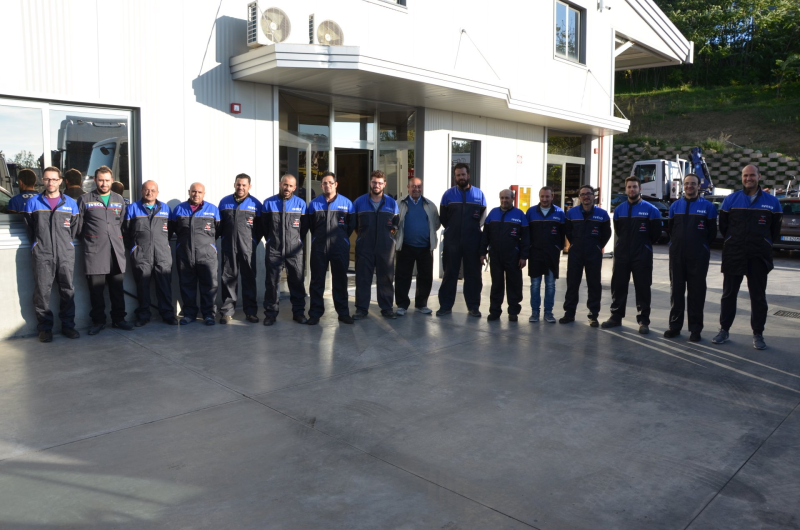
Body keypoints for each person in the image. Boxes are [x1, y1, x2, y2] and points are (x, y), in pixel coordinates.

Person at [712, 164, 782, 350]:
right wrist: (734, 241)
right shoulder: (731, 200)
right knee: (728, 295)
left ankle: (758, 334)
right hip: (734, 254)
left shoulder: (772, 202)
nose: (748, 178)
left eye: (752, 175)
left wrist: (764, 243)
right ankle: (724, 330)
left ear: (759, 176)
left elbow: (774, 231)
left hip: (759, 256)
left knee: (758, 298)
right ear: (741, 177)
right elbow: (724, 227)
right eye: (745, 175)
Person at [22, 167, 81, 342]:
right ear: (42, 180)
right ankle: (45, 328)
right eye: (47, 179)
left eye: (54, 179)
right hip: (42, 253)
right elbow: (29, 228)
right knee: (42, 291)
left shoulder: (70, 203)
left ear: (60, 181)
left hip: (65, 253)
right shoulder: (33, 203)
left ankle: (68, 326)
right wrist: (38, 244)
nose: (51, 182)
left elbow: (74, 228)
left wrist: (66, 243)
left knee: (67, 290)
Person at [601, 176, 662, 333]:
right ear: (626, 189)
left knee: (642, 287)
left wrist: (643, 246)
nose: (632, 189)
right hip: (622, 254)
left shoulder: (652, 210)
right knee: (618, 286)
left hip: (642, 254)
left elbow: (655, 234)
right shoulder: (619, 210)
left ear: (640, 189)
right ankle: (616, 317)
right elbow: (619, 231)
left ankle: (643, 321)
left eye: (635, 187)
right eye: (629, 187)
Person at [77, 165, 131, 335]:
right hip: (95, 253)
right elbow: (78, 228)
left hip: (115, 252)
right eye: (101, 180)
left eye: (107, 180)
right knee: (96, 291)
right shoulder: (85, 199)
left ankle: (119, 319)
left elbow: (122, 225)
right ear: (95, 180)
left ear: (112, 180)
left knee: (117, 289)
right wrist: (91, 240)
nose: (104, 183)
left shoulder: (119, 200)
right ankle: (98, 321)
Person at [664, 174, 718, 341]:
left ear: (698, 186)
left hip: (698, 257)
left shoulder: (708, 207)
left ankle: (695, 330)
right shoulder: (675, 206)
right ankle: (675, 327)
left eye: (693, 184)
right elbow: (671, 229)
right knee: (677, 291)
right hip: (677, 256)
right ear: (683, 186)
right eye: (687, 184)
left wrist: (701, 247)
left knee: (696, 293)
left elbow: (712, 233)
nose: (689, 186)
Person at [124, 180, 177, 327]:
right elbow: (126, 231)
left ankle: (167, 314)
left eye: (153, 190)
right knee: (142, 287)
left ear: (157, 192)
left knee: (165, 285)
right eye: (147, 190)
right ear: (141, 191)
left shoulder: (165, 208)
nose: (150, 193)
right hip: (141, 254)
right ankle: (143, 315)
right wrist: (134, 248)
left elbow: (170, 229)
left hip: (162, 254)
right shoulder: (133, 208)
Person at [437, 163, 487, 317]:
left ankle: (473, 307)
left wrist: (472, 230)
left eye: (463, 174)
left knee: (473, 275)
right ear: (455, 176)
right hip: (452, 241)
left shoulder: (479, 194)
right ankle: (445, 306)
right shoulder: (448, 195)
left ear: (468, 175)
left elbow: (483, 217)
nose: (461, 177)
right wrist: (453, 229)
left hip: (473, 241)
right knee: (450, 273)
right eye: (458, 175)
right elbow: (444, 218)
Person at [559, 185, 611, 327]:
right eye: (583, 194)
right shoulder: (571, 213)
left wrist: (597, 246)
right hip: (576, 253)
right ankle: (569, 313)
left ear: (593, 196)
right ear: (579, 197)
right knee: (572, 283)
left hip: (593, 253)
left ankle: (593, 315)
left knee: (594, 284)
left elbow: (607, 233)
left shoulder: (603, 214)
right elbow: (568, 232)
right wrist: (574, 244)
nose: (586, 196)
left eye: (588, 194)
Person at [307, 171, 355, 325]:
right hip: (319, 248)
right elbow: (311, 226)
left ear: (336, 184)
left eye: (330, 182)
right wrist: (318, 239)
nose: (327, 185)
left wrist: (341, 240)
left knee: (340, 281)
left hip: (339, 249)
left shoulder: (347, 204)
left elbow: (351, 226)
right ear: (321, 185)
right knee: (317, 281)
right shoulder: (314, 204)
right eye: (324, 183)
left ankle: (343, 313)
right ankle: (315, 313)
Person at [170, 182, 220, 326]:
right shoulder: (179, 209)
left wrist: (208, 245)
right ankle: (189, 314)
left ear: (204, 194)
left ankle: (209, 315)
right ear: (189, 192)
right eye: (193, 192)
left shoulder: (213, 210)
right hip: (185, 255)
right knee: (187, 285)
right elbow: (174, 229)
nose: (196, 194)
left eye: (199, 192)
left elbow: (218, 230)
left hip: (207, 256)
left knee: (209, 285)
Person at [352, 170, 399, 320]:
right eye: (374, 182)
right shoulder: (359, 202)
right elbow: (354, 225)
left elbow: (396, 225)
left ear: (384, 184)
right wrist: (364, 237)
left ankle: (386, 308)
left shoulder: (392, 203)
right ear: (370, 183)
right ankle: (361, 309)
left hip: (385, 248)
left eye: (379, 183)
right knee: (363, 278)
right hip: (365, 247)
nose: (376, 185)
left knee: (386, 278)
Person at [261, 174, 308, 326]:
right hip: (274, 249)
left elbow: (304, 228)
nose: (287, 188)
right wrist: (270, 240)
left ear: (295, 188)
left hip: (295, 251)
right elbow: (264, 226)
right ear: (280, 184)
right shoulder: (269, 203)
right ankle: (270, 314)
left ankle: (299, 313)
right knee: (272, 283)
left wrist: (296, 241)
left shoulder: (301, 204)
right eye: (285, 185)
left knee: (297, 282)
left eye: (291, 186)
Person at [218, 174, 262, 324]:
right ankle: (227, 312)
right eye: (238, 184)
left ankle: (250, 312)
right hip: (229, 248)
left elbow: (261, 227)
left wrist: (253, 241)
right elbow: (219, 226)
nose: (241, 187)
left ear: (249, 186)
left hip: (247, 249)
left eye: (244, 185)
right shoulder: (224, 202)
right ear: (234, 185)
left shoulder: (256, 204)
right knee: (228, 279)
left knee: (249, 280)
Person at [480, 189, 529, 321]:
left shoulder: (519, 215)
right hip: (495, 255)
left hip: (513, 256)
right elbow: (485, 236)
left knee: (514, 284)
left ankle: (513, 311)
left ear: (512, 198)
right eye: (502, 198)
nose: (504, 200)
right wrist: (482, 253)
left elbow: (525, 238)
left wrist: (524, 256)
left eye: (507, 198)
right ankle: (495, 311)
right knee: (496, 284)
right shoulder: (492, 213)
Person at [395, 177, 440, 316]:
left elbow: (436, 224)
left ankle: (421, 304)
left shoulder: (430, 205)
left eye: (419, 186)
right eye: (413, 186)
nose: (416, 189)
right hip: (406, 246)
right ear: (408, 187)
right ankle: (402, 305)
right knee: (403, 276)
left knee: (425, 277)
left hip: (425, 247)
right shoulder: (400, 204)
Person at [526, 186, 565, 323]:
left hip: (551, 255)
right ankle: (534, 313)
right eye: (542, 196)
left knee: (550, 285)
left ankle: (548, 312)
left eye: (547, 196)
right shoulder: (531, 212)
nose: (544, 199)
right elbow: (526, 233)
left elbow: (563, 234)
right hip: (535, 254)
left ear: (552, 196)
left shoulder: (559, 213)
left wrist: (558, 247)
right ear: (539, 196)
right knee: (535, 284)